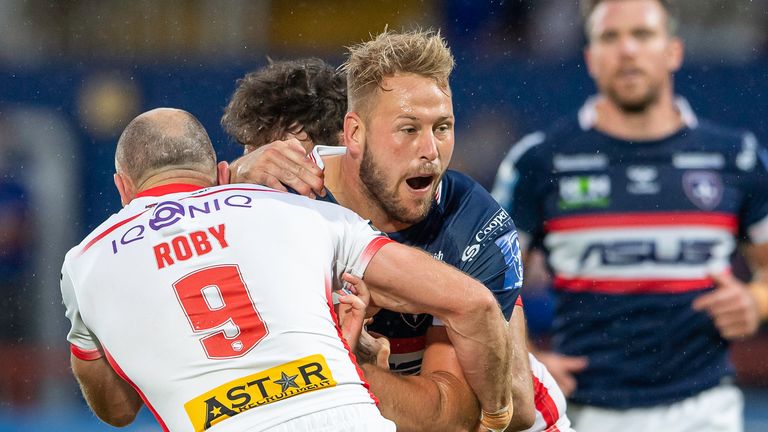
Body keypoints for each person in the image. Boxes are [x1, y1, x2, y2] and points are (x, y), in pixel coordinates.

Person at [60, 108, 516, 432]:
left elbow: (116, 411)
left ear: (123, 189)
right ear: (221, 173)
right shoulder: (302, 213)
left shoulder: (86, 261)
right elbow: (472, 303)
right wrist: (495, 418)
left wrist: (86, 338)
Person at [222, 36, 572, 431]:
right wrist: (228, 186)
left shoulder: (472, 222)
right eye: (408, 129)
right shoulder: (282, 199)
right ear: (353, 134)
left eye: (442, 127)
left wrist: (340, 368)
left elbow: (502, 412)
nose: (430, 150)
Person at [491, 0, 768, 431]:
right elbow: (485, 288)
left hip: (707, 410)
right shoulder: (539, 161)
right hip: (582, 413)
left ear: (673, 50)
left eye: (642, 34)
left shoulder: (737, 157)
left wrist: (756, 300)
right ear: (590, 58)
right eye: (609, 37)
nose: (627, 50)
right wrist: (524, 360)